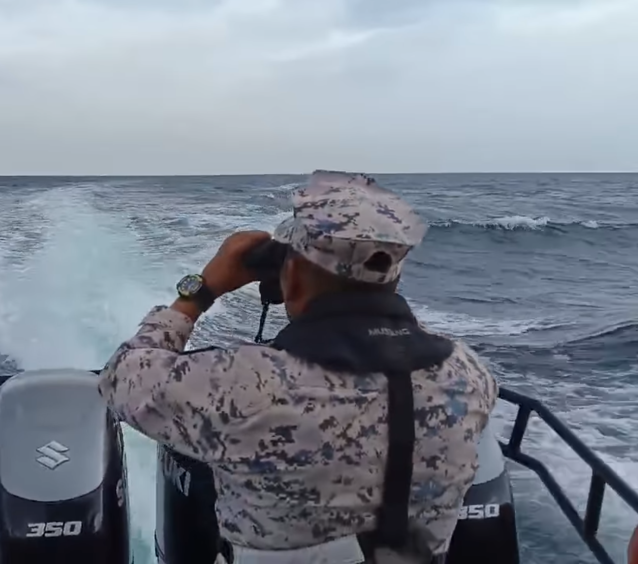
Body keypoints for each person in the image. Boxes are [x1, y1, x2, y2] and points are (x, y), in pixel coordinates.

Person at [97, 170, 499, 564]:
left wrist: (200, 291)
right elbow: (389, 335)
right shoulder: (469, 376)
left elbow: (122, 376)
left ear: (291, 276)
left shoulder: (243, 385)